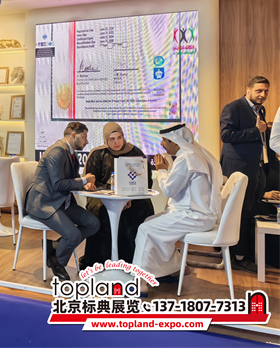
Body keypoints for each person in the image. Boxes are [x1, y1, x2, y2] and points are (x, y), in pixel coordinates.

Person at [133, 124, 222, 285]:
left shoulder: (186, 158)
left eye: (164, 140)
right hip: (196, 214)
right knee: (149, 222)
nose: (161, 144)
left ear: (174, 141)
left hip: (195, 216)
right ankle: (175, 268)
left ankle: (140, 282)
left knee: (144, 229)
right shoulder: (192, 154)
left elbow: (169, 190)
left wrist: (161, 170)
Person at [25, 122, 100, 281]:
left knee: (93, 223)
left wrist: (84, 184)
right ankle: (57, 262)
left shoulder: (70, 153)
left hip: (61, 201)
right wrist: (84, 180)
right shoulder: (57, 151)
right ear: (73, 135)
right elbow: (58, 184)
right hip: (43, 203)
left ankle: (53, 247)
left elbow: (71, 180)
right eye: (84, 136)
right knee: (73, 235)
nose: (86, 141)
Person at [80, 122, 154, 267]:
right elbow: (90, 180)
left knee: (140, 211)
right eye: (112, 139)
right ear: (106, 139)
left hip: (133, 196)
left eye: (119, 138)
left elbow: (146, 181)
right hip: (104, 197)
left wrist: (129, 196)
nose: (116, 142)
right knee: (100, 212)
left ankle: (134, 262)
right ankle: (100, 262)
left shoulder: (135, 152)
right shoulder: (98, 154)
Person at [220, 75, 270, 273]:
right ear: (248, 89)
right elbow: (226, 135)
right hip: (237, 169)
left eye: (266, 91)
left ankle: (244, 253)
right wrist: (255, 131)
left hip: (255, 167)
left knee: (249, 211)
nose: (263, 94)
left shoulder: (260, 109)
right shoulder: (233, 107)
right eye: (259, 90)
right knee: (238, 213)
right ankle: (237, 256)